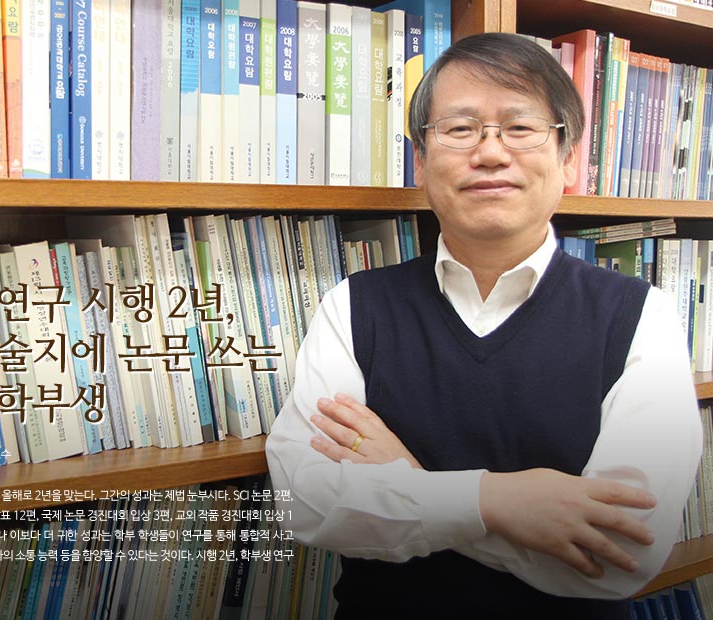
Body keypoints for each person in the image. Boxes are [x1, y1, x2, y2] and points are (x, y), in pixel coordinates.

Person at [265, 32, 702, 618]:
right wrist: (495, 500)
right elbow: (304, 502)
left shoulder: (641, 315)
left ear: (568, 159)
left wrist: (407, 483)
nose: (491, 153)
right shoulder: (354, 306)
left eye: (520, 128)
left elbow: (619, 554)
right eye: (460, 128)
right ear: (421, 161)